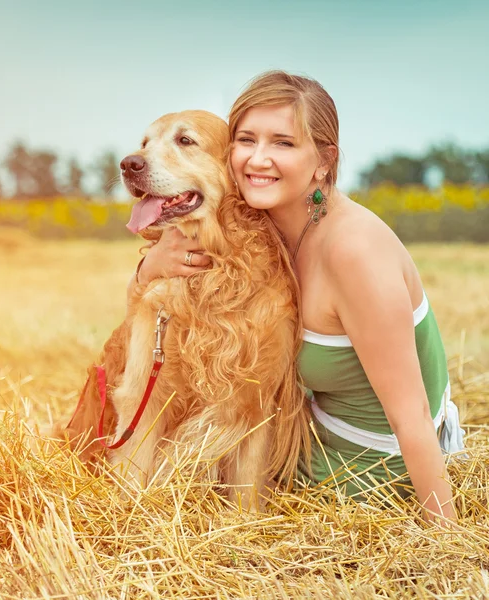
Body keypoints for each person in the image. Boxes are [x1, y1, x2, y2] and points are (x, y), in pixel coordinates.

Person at [128, 71, 464, 525]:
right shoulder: (260, 233)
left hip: (364, 476)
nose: (258, 159)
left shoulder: (355, 251)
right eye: (246, 140)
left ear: (324, 161)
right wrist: (148, 268)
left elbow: (414, 415)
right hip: (307, 444)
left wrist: (449, 539)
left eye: (283, 143)